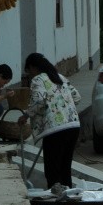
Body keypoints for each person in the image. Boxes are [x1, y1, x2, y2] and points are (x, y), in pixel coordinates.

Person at [20, 53, 82, 189]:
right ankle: (68, 196)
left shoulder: (38, 80)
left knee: (53, 167)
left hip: (55, 129)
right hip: (73, 125)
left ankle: (56, 197)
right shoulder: (60, 77)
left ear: (33, 67)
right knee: (65, 166)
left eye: (29, 71)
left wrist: (26, 115)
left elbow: (39, 100)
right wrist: (63, 107)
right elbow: (77, 97)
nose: (29, 74)